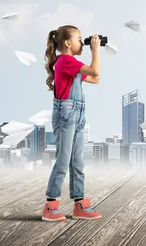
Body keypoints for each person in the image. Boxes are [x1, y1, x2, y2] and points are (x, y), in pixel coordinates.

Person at [41, 25, 103, 222]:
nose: (82, 43)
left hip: (77, 115)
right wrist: (95, 50)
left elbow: (95, 78)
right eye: (79, 39)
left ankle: (79, 203)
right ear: (68, 43)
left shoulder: (73, 64)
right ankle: (50, 205)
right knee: (63, 160)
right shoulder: (66, 61)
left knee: (77, 161)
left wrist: (94, 53)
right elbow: (94, 69)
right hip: (66, 115)